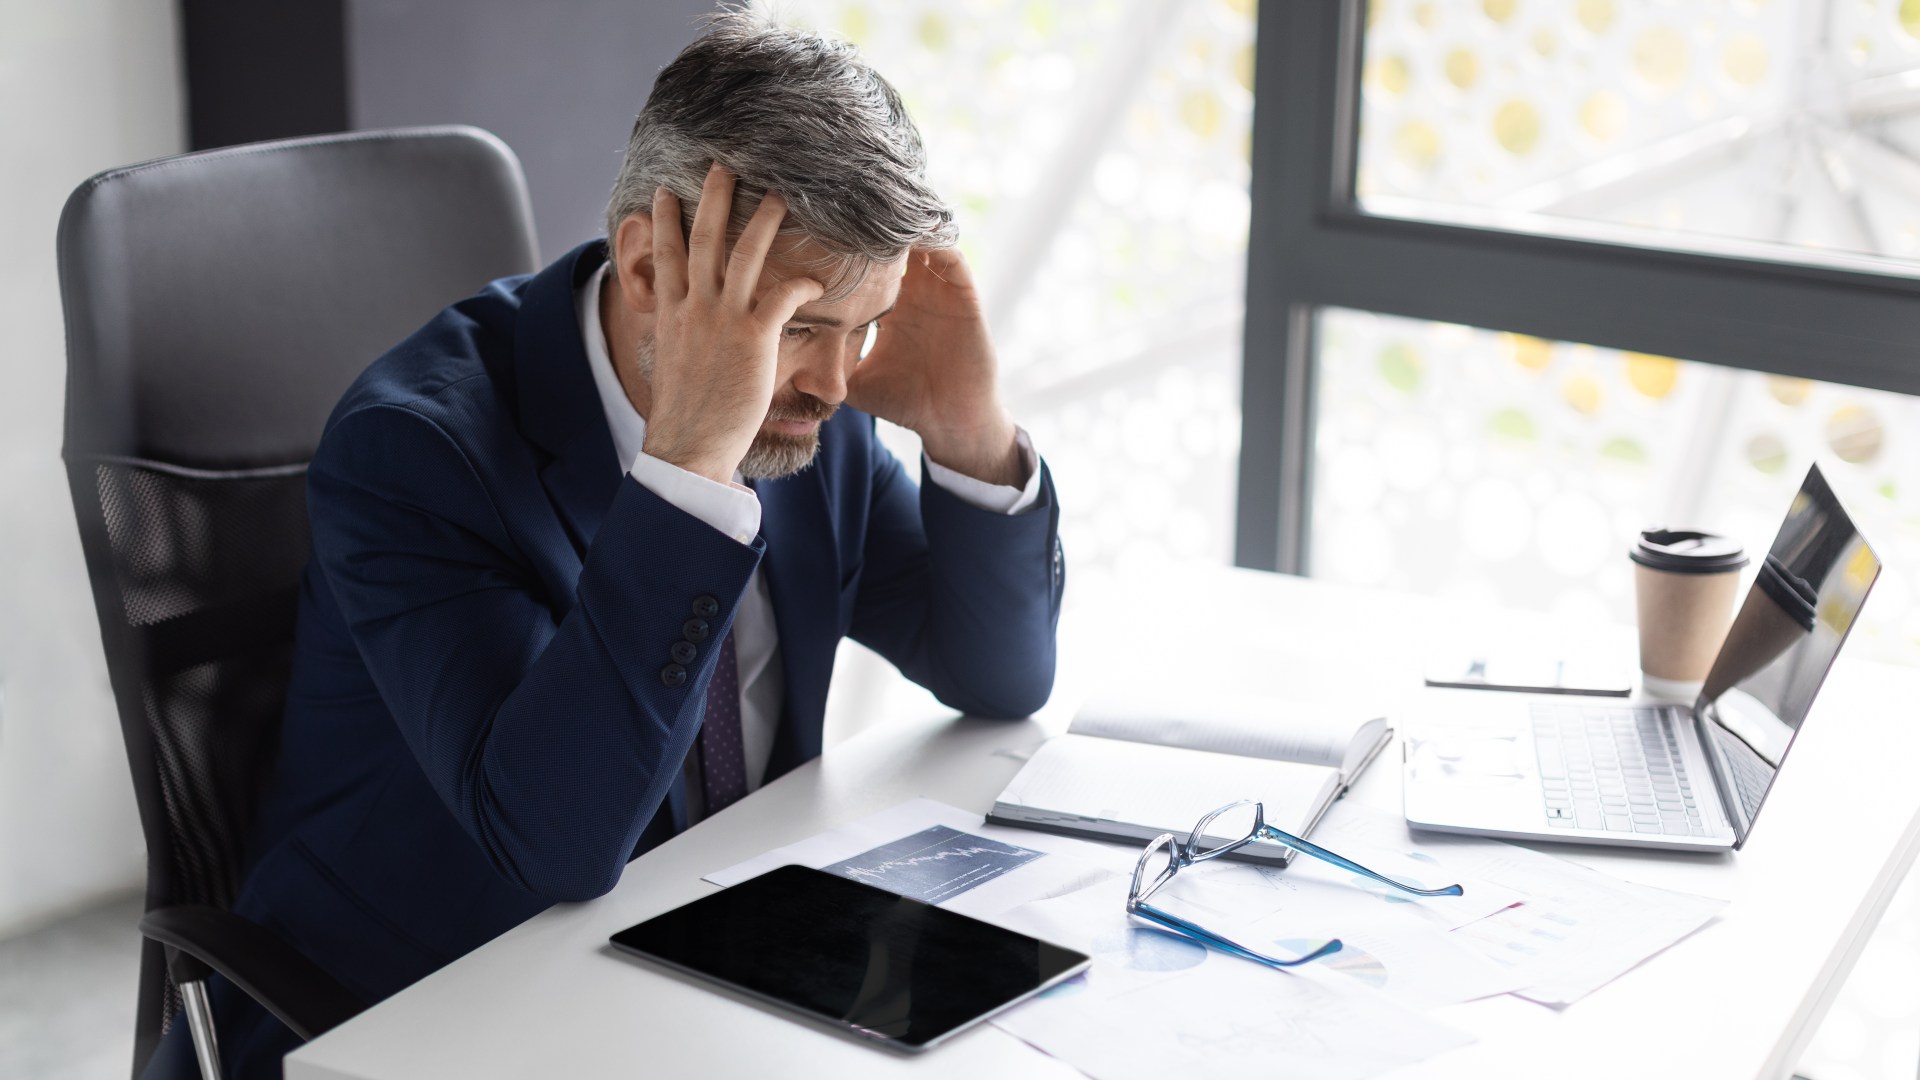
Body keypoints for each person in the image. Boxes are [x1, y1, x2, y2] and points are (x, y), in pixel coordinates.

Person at [142, 12, 1061, 1078]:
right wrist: (687, 474)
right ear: (645, 270)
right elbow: (558, 842)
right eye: (802, 326)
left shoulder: (817, 407)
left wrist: (968, 432)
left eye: (864, 325)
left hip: (717, 975)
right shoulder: (415, 453)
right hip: (430, 1013)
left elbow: (1000, 674)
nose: (838, 381)